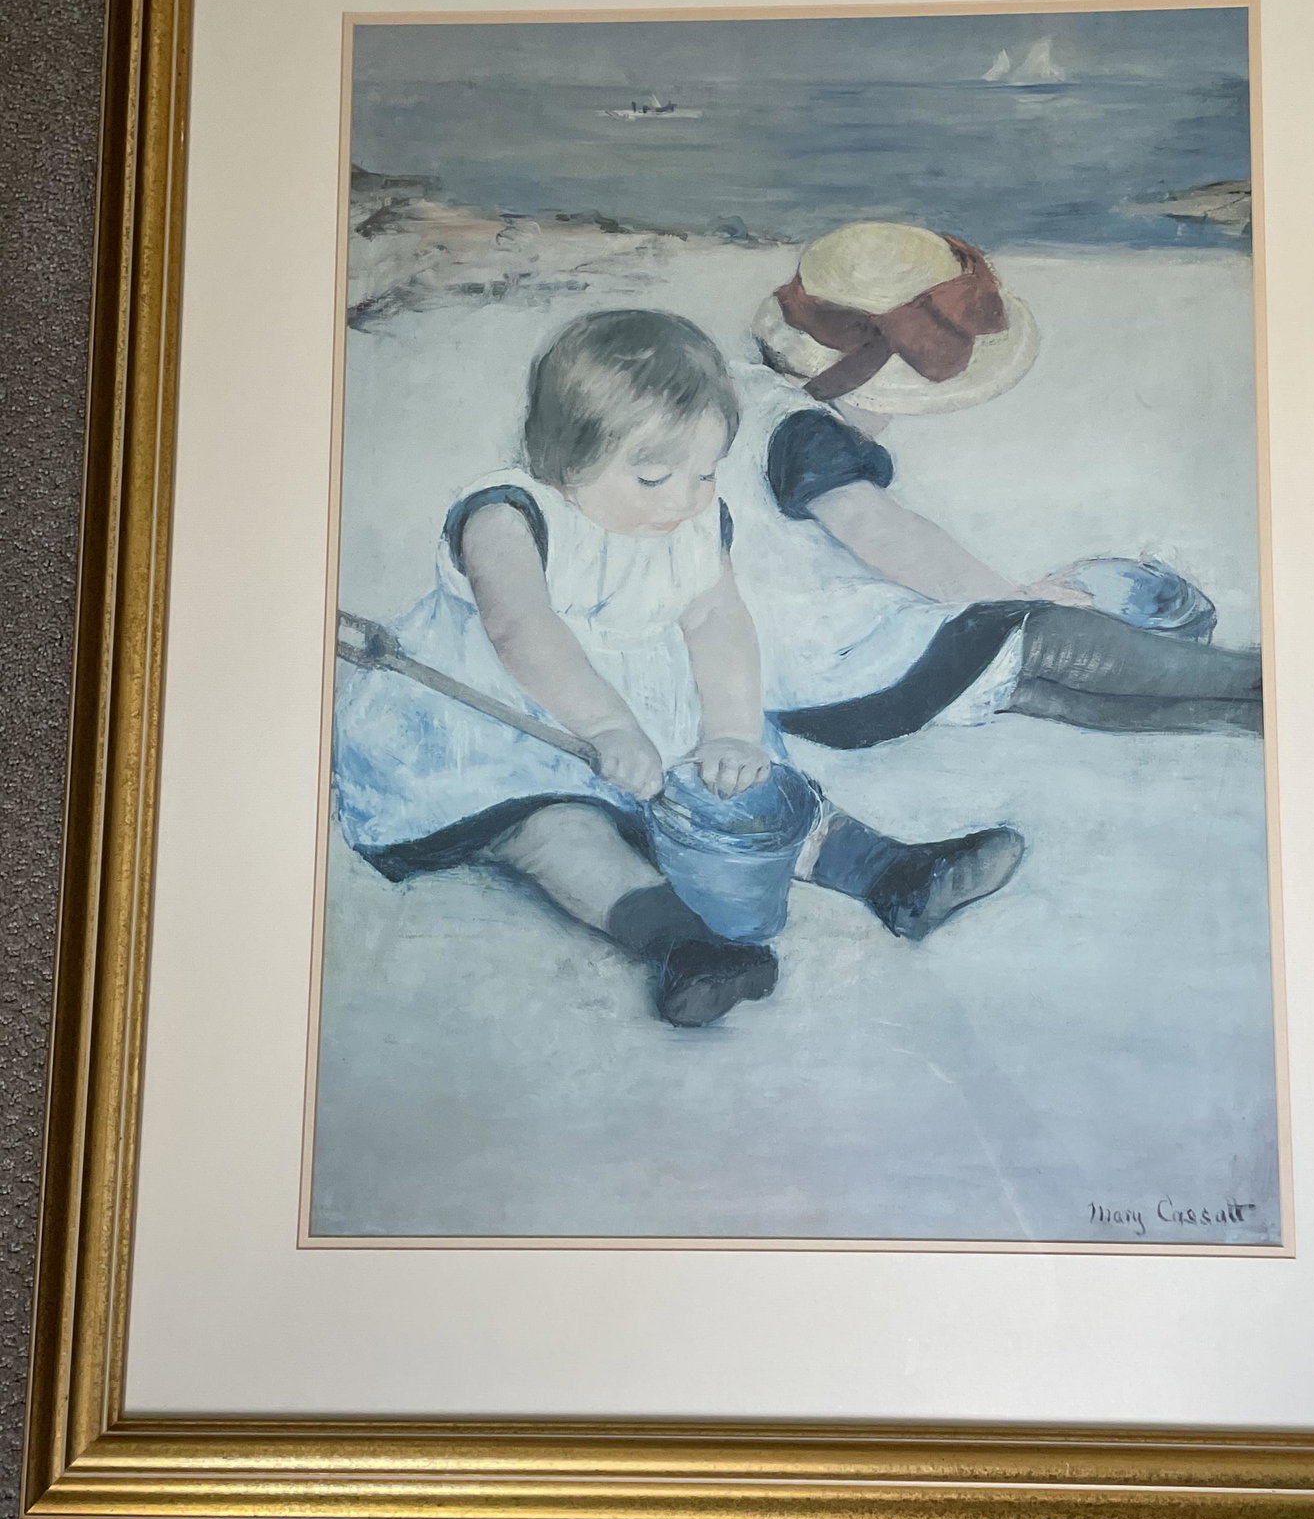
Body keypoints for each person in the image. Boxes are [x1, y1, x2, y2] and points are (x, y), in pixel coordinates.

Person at [333, 308, 1024, 1030]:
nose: (685, 499)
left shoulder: (694, 516)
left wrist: (730, 731)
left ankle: (890, 872)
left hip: (646, 705)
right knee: (559, 832)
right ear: (569, 458)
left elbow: (716, 619)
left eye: (703, 473)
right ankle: (682, 945)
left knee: (751, 789)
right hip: (501, 727)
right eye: (656, 476)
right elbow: (521, 629)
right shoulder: (507, 515)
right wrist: (605, 725)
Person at [715, 222, 1264, 749]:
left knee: (1017, 682)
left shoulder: (729, 400)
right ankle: (1253, 681)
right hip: (843, 661)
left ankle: (1247, 713)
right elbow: (882, 533)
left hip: (775, 688)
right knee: (1036, 635)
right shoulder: (806, 432)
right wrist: (1011, 596)